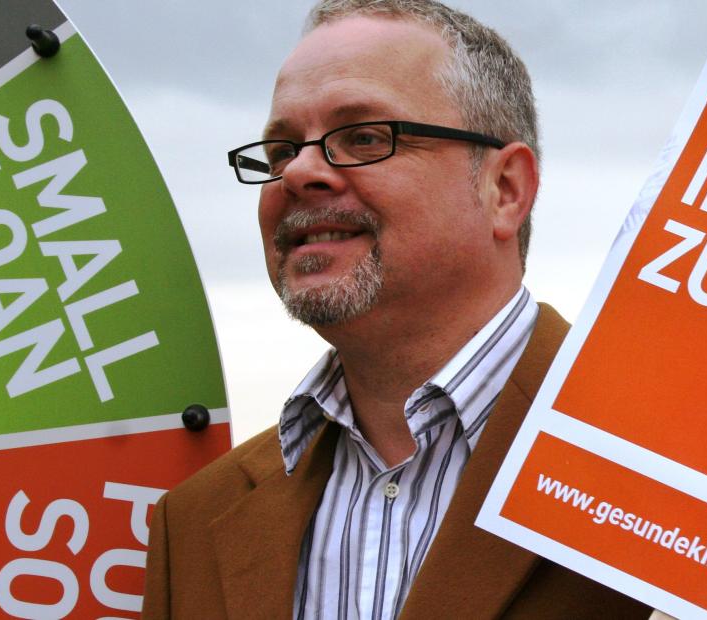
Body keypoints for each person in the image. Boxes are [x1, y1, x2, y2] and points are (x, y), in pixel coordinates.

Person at [142, 1, 649, 618]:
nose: (298, 172)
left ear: (504, 189)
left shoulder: (673, 468)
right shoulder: (194, 523)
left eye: (364, 137)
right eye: (280, 150)